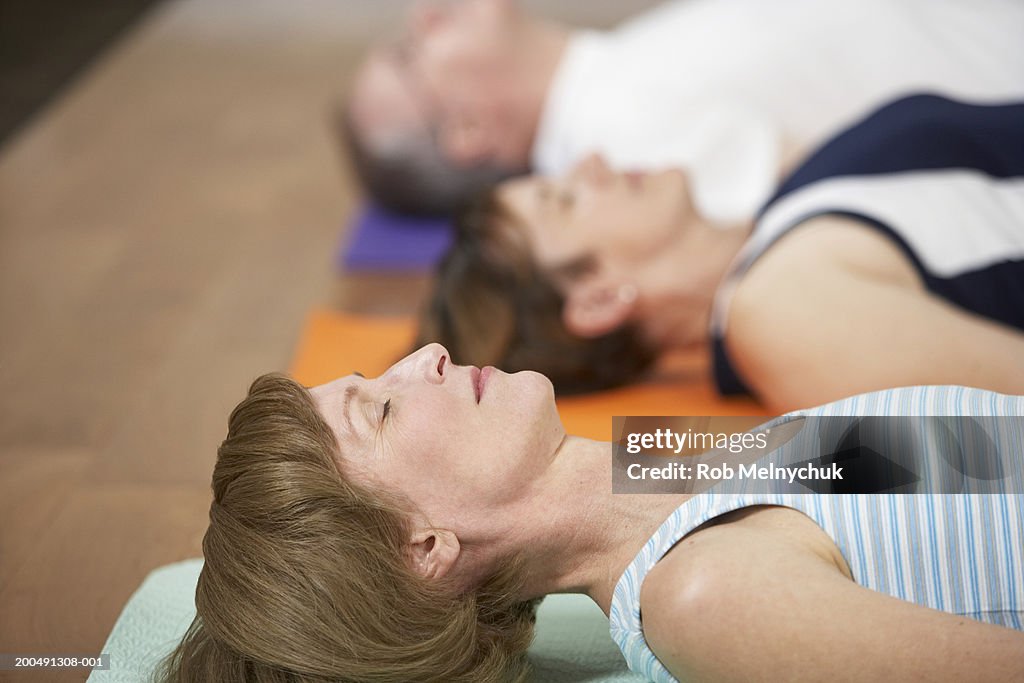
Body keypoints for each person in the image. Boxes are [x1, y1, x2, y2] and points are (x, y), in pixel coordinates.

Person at [158, 343, 1024, 682]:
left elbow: (986, 449)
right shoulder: (699, 594)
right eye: (380, 408)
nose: (425, 354)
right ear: (422, 545)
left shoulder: (662, 457)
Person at [415, 94, 1024, 410]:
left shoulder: (782, 211)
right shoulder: (780, 312)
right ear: (599, 299)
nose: (593, 162)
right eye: (565, 199)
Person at [341, 0, 1024, 217]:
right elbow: (834, 201)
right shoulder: (625, 153)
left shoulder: (606, 78)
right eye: (411, 50)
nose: (425, 14)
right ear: (466, 130)